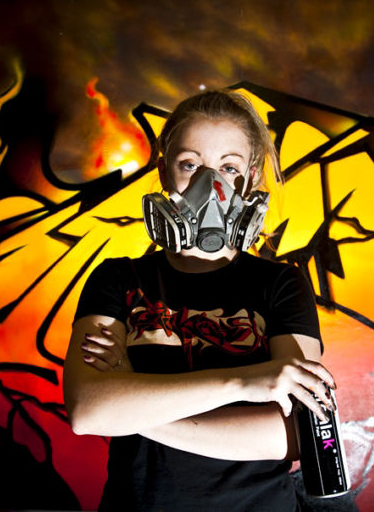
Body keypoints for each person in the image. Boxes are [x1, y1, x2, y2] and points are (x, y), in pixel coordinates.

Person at [63, 90, 336, 512]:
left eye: (229, 167)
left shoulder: (282, 284)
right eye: (190, 165)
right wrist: (246, 381)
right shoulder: (118, 279)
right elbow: (88, 411)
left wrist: (132, 406)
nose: (210, 185)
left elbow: (291, 437)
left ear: (251, 179)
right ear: (164, 171)